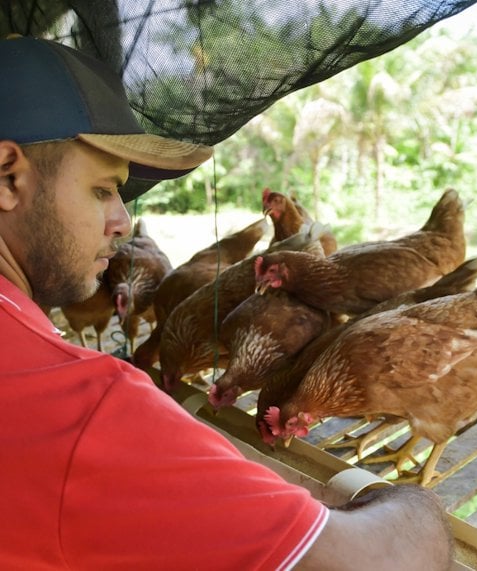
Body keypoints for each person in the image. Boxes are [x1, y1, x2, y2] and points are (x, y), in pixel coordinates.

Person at [0, 36, 452, 570]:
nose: (122, 221)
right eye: (102, 189)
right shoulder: (77, 402)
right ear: (8, 175)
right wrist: (408, 499)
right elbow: (385, 563)